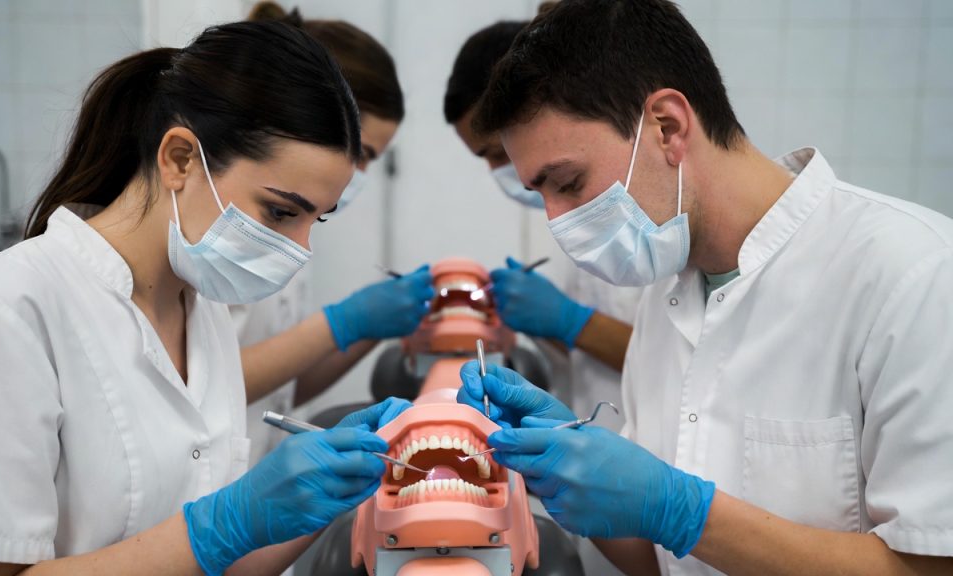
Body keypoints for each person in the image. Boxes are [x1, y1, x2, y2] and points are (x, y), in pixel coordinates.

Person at [457, 0, 953, 574]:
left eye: (568, 183)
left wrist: (684, 512)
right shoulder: (667, 297)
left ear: (667, 126)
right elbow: (654, 559)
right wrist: (556, 467)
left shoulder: (915, 274)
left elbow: (932, 565)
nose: (558, 219)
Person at [0, 20, 412, 576]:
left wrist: (327, 493)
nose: (299, 248)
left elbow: (222, 563)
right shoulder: (5, 311)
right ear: (180, 158)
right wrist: (220, 525)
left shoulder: (201, 311)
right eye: (281, 212)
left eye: (315, 220)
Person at [239, 2, 429, 462]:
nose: (356, 173)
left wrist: (367, 328)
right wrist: (341, 323)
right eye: (358, 152)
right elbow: (197, 384)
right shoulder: (229, 234)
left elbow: (284, 387)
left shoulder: (295, 227)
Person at [444, 18, 637, 426]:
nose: (503, 170)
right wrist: (535, 321)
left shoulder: (646, 218)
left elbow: (683, 360)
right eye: (486, 158)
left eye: (500, 152)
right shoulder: (565, 217)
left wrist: (569, 320)